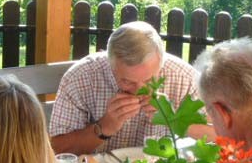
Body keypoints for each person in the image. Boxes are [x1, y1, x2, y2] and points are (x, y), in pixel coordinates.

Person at [50, 21, 214, 155]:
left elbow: (221, 136)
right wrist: (104, 127)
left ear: (161, 63)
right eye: (128, 81)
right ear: (110, 65)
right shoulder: (82, 77)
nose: (139, 90)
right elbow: (56, 149)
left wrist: (173, 119)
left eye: (149, 79)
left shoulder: (184, 78)